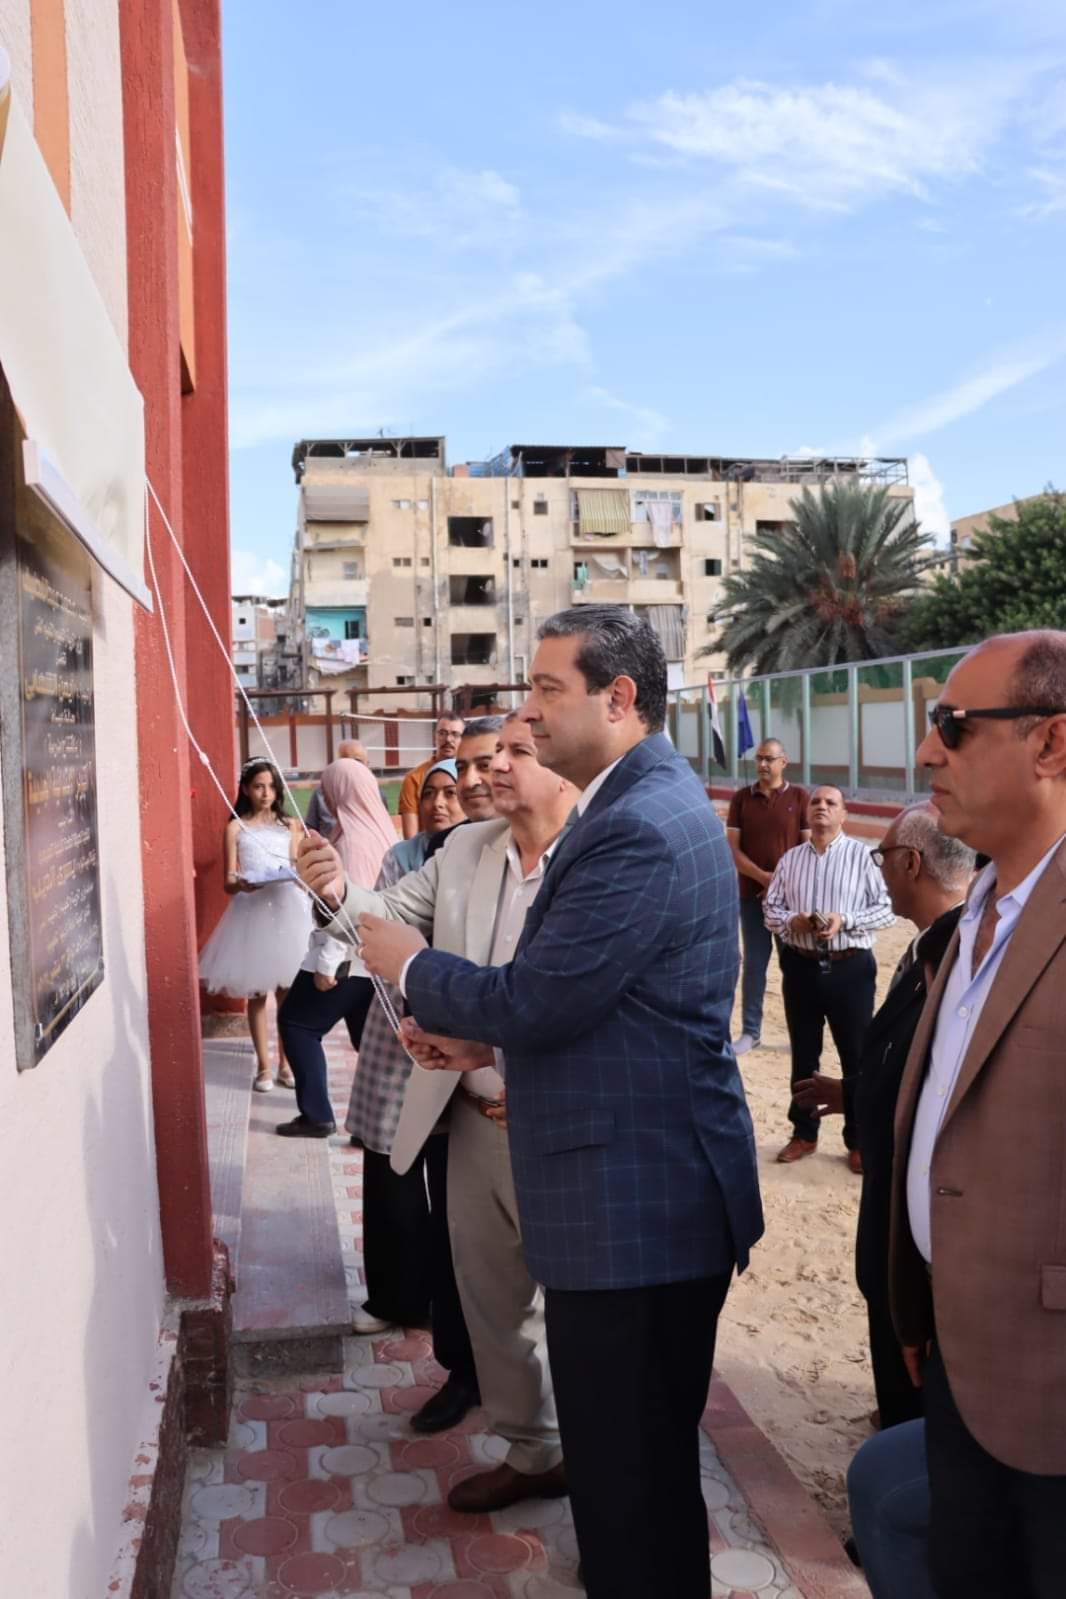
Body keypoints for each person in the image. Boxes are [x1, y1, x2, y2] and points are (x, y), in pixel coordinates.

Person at [306, 606, 765, 1599]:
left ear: (619, 697)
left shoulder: (634, 824)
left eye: (549, 690)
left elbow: (540, 995)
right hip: (628, 1192)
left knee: (634, 1477)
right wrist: (482, 1045)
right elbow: (611, 1005)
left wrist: (415, 965)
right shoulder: (629, 804)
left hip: (638, 1207)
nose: (531, 712)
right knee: (623, 1466)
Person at [887, 630, 1066, 1599]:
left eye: (953, 726)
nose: (928, 750)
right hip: (956, 1356)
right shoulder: (977, 914)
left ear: (1052, 744)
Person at [396, 716, 578, 1506]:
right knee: (493, 1299)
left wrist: (499, 1057)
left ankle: (602, 1466)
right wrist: (330, 889)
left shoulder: (596, 856)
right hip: (473, 1118)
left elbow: (569, 1004)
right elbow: (379, 910)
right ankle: (535, 1452)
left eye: (508, 754)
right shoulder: (466, 848)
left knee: (579, 1309)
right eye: (474, 760)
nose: (485, 773)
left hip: (560, 1125)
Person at [794, 804, 973, 1428]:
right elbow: (913, 1069)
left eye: (883, 858)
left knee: (910, 1364)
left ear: (911, 864)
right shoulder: (937, 946)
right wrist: (854, 1093)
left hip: (914, 1220)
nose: (879, 870)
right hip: (897, 1210)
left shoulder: (959, 958)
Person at [763, 784, 894, 1168]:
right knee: (804, 1055)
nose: (822, 806)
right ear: (808, 813)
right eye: (816, 802)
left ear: (843, 814)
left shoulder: (864, 858)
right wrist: (794, 921)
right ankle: (804, 1133)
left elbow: (887, 908)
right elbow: (770, 910)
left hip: (850, 967)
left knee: (857, 1055)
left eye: (830, 802)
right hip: (800, 966)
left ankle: (859, 1139)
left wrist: (845, 920)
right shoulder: (790, 860)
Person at [274, 757, 396, 1137]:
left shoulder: (351, 844)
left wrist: (328, 964)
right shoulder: (382, 834)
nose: (324, 797)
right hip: (375, 963)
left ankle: (317, 1115)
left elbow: (344, 910)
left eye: (328, 790)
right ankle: (376, 1123)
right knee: (367, 1042)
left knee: (296, 1024)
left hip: (346, 959)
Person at [198, 758, 311, 1092]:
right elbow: (228, 882)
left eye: (271, 787)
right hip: (251, 914)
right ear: (246, 789)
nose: (266, 793)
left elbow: (296, 867)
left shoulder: (289, 825)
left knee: (288, 992)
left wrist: (298, 876)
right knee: (258, 993)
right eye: (259, 786)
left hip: (287, 909)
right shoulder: (235, 828)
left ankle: (287, 1063)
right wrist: (242, 884)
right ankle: (263, 1066)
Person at [726, 739, 810, 1054]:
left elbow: (807, 848)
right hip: (751, 897)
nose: (762, 764)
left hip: (791, 901)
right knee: (754, 964)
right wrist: (763, 878)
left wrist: (781, 883)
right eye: (759, 759)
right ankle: (751, 1032)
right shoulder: (741, 799)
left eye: (769, 759)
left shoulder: (800, 798)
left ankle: (800, 1034)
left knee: (795, 966)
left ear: (783, 762)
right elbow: (733, 850)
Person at [398, 714, 465, 838]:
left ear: (464, 739)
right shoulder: (413, 779)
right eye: (442, 733)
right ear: (435, 737)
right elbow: (410, 837)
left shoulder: (469, 776)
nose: (448, 739)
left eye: (455, 734)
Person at [304, 739, 370, 837]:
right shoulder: (321, 794)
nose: (352, 766)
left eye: (357, 761)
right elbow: (310, 830)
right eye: (345, 761)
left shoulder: (377, 796)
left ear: (367, 765)